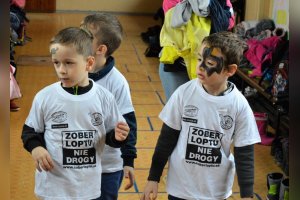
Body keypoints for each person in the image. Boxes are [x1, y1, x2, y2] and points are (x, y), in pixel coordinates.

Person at [141, 31, 261, 200]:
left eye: (210, 62)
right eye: (199, 59)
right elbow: (166, 139)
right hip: (180, 188)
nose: (200, 67)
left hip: (215, 191)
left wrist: (247, 194)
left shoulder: (239, 105)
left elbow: (244, 152)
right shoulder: (184, 94)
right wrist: (153, 178)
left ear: (230, 70)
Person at [21, 27, 130, 200]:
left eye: (69, 63)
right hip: (53, 189)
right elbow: (29, 132)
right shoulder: (44, 97)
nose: (61, 70)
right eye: (56, 63)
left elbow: (110, 137)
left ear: (89, 63)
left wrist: (118, 137)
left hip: (88, 189)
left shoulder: (104, 98)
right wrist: (37, 148)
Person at [81, 12, 137, 200]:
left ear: (100, 49)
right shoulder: (73, 72)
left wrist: (128, 160)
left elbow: (128, 124)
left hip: (107, 168)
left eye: (85, 34)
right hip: (76, 163)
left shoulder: (117, 83)